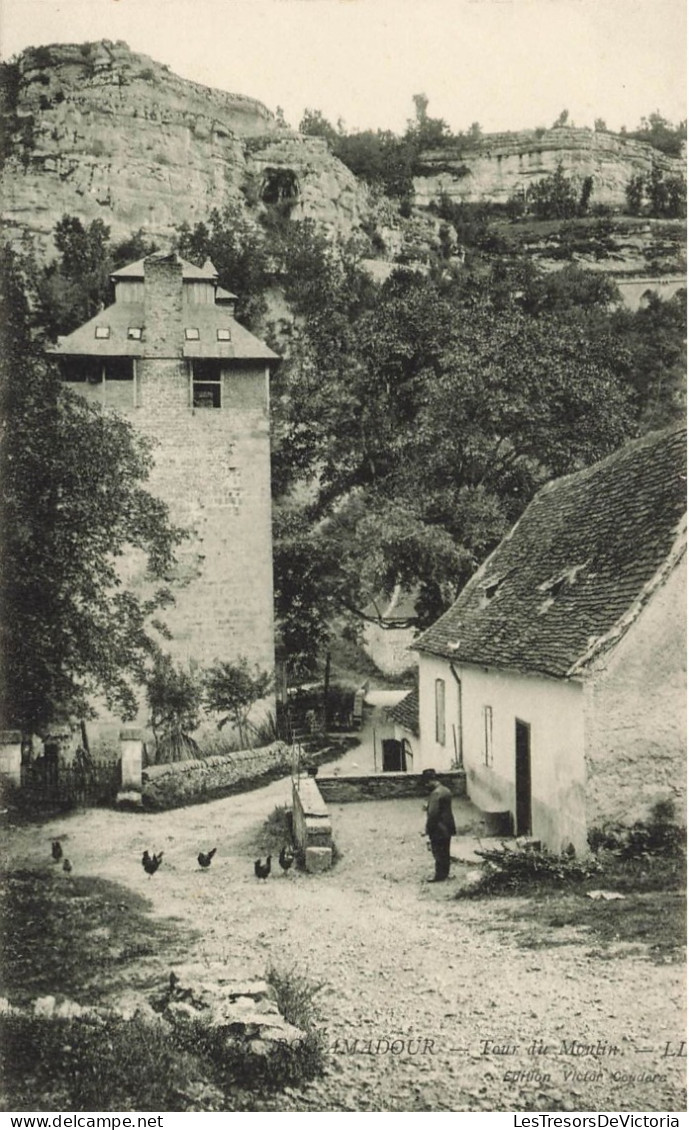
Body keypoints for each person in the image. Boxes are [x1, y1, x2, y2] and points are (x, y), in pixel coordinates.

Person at [422, 768, 456, 882]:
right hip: (448, 826)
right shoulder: (446, 790)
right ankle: (445, 873)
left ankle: (439, 875)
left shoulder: (435, 794)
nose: (426, 786)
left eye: (426, 783)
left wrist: (428, 829)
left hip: (438, 828)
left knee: (437, 851)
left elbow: (433, 814)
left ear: (431, 780)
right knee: (446, 851)